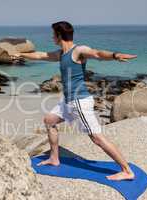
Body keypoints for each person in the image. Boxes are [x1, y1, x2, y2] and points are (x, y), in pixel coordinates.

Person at [15, 21, 137, 181]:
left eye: (53, 34)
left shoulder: (78, 50)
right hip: (68, 101)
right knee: (49, 120)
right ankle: (54, 158)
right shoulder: (61, 54)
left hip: (79, 102)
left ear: (59, 35)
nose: (52, 37)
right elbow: (40, 55)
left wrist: (115, 55)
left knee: (97, 138)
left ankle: (126, 170)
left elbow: (97, 53)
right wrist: (21, 54)